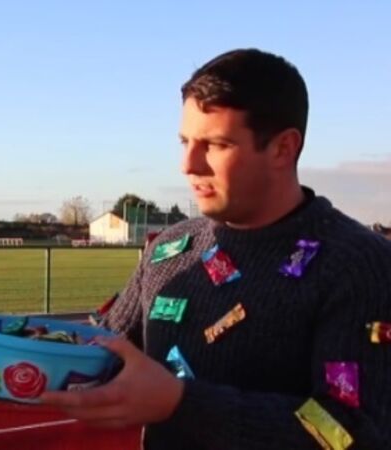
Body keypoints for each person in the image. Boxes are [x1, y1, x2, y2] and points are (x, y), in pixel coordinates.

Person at [40, 49, 391, 449]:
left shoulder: (359, 266)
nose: (188, 164)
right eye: (185, 141)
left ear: (283, 148)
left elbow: (353, 431)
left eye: (216, 144)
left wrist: (181, 403)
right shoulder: (171, 250)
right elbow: (99, 350)